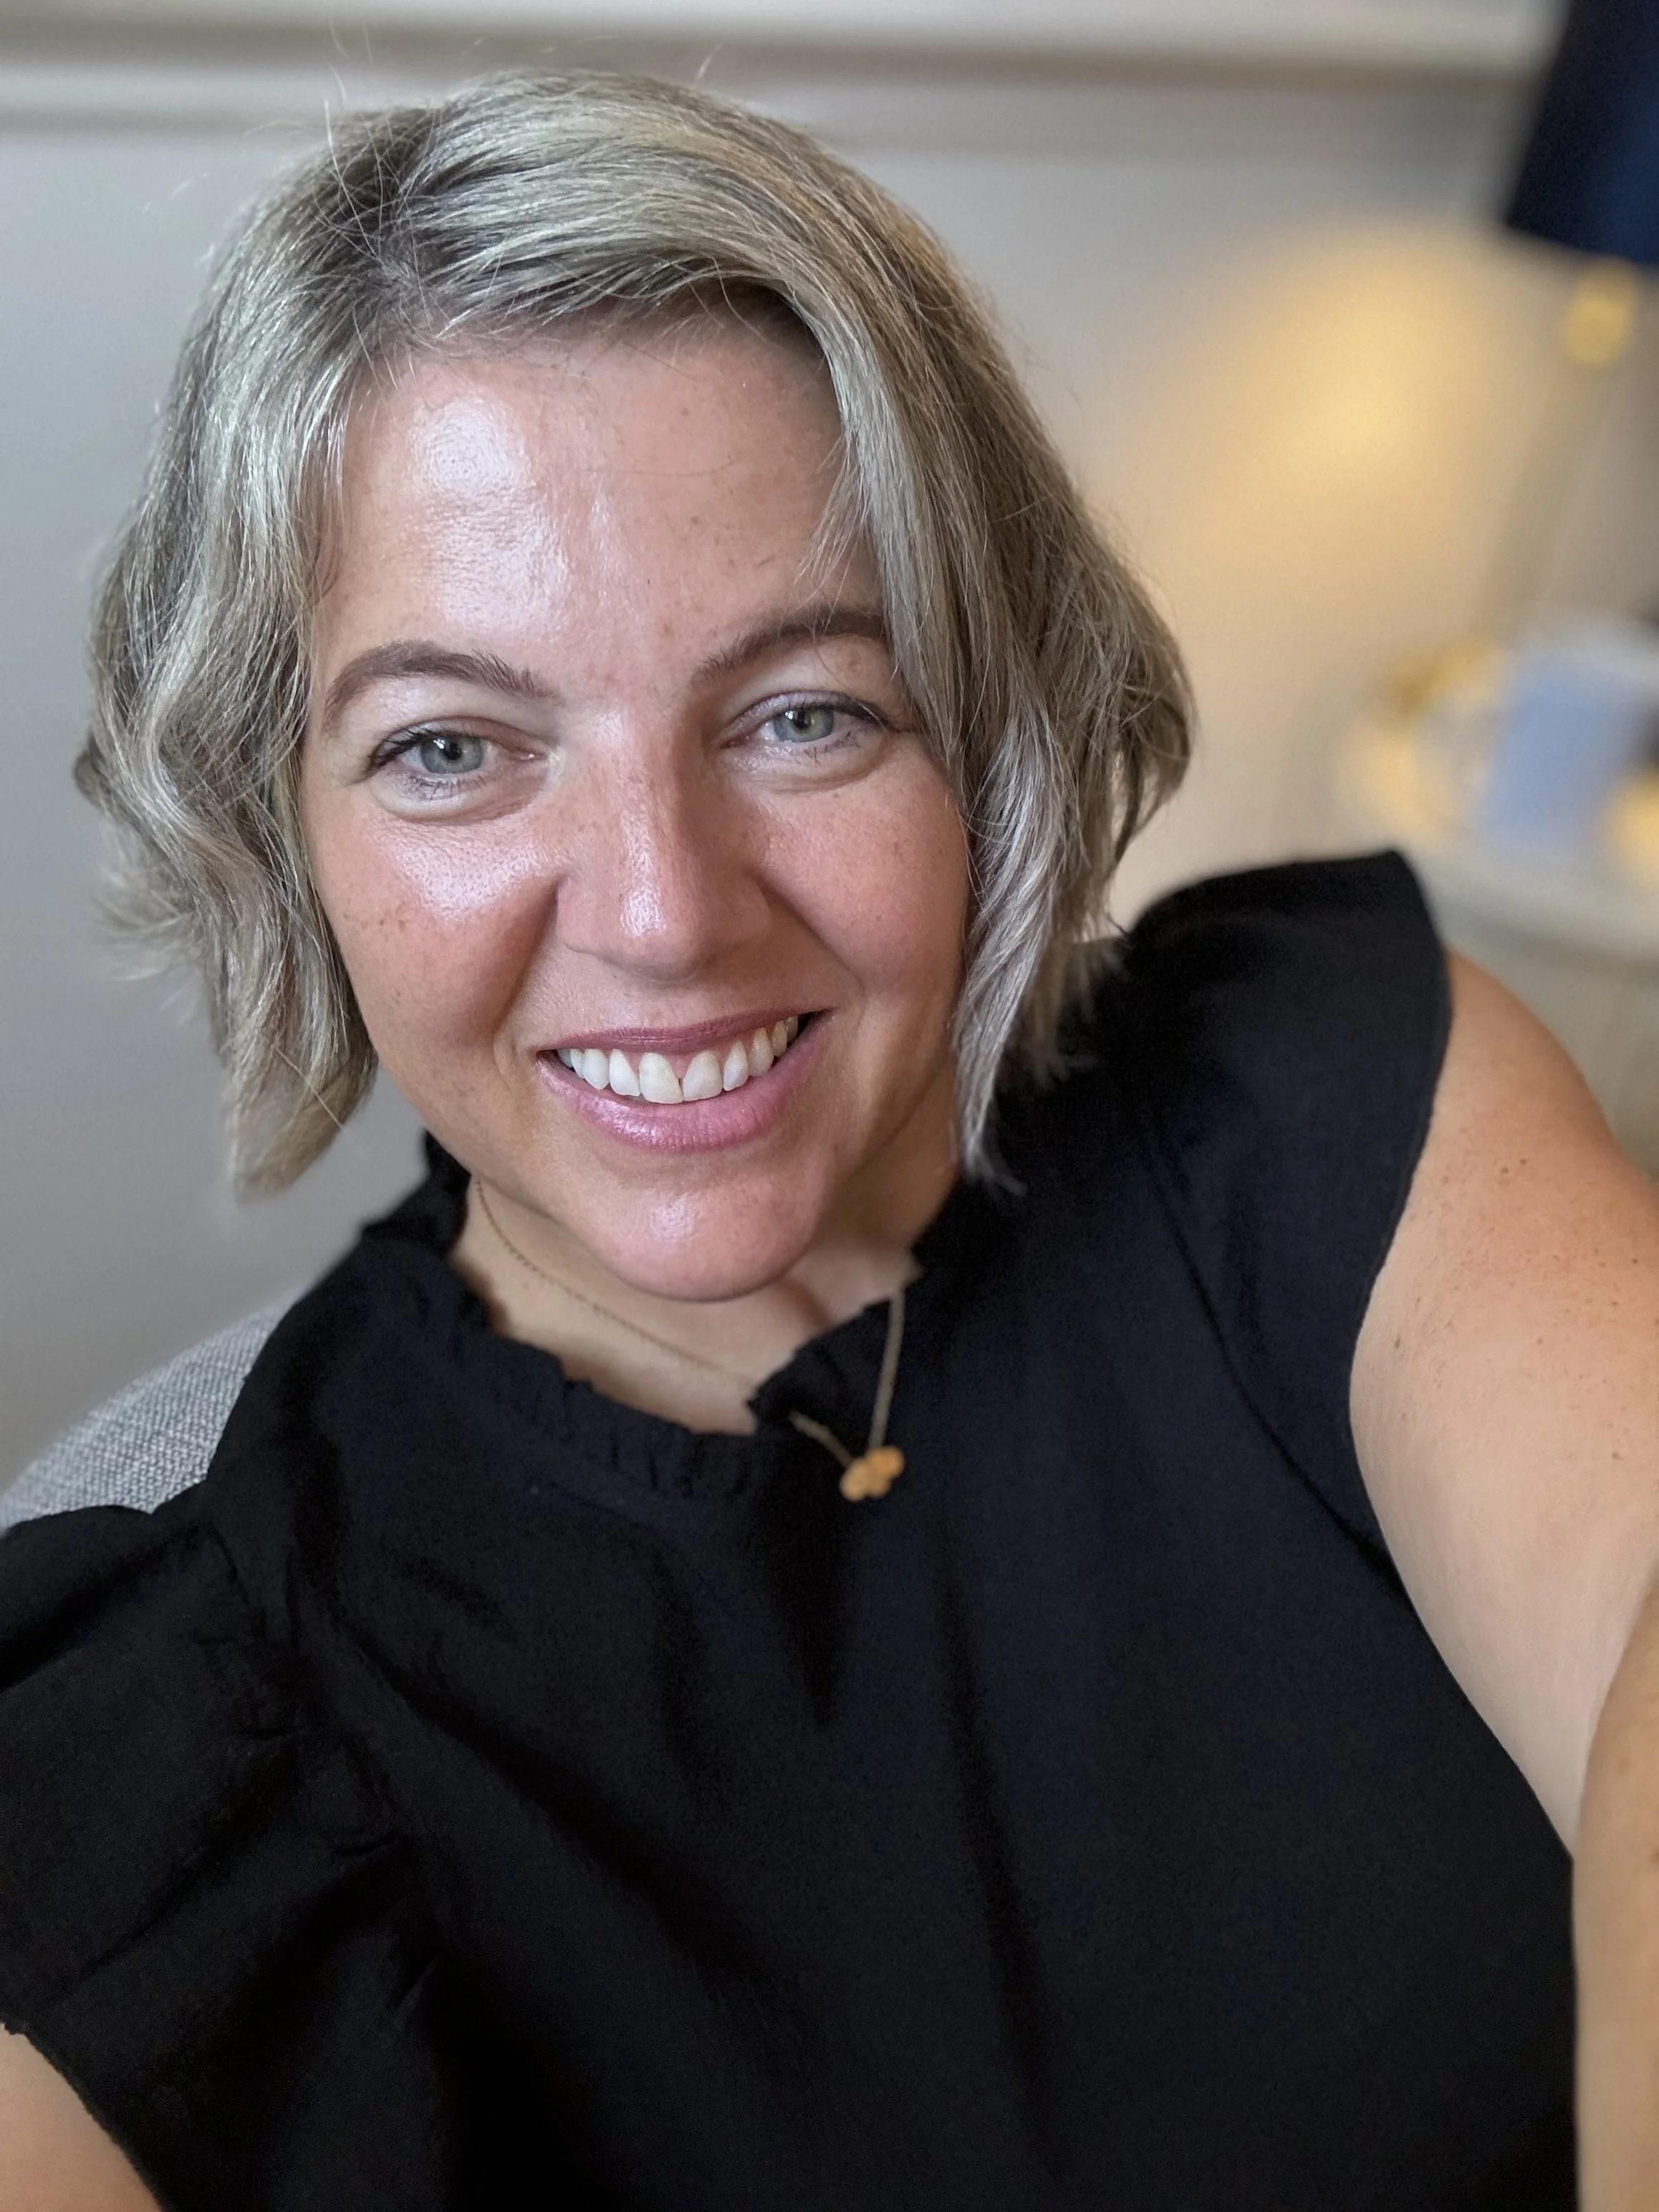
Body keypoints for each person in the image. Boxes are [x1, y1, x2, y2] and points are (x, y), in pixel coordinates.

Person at [0, 69, 1655, 2212]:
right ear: (277, 831)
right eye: (452, 749)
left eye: (804, 712)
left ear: (988, 726)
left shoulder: (1306, 1089)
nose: (667, 908)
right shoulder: (184, 1693)